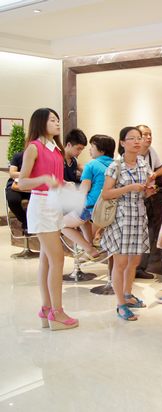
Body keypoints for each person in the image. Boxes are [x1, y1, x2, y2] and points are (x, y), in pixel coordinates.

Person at [18, 108, 78, 330]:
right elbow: (21, 182)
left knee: (46, 259)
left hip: (53, 203)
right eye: (52, 120)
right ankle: (57, 312)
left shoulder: (56, 149)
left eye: (57, 119)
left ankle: (47, 309)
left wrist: (64, 184)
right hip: (41, 205)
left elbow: (55, 180)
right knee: (57, 259)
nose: (57, 123)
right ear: (41, 122)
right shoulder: (34, 147)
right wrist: (44, 179)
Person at [100, 126, 156, 321]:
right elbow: (106, 194)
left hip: (139, 215)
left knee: (134, 261)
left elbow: (144, 191)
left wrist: (148, 191)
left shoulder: (143, 164)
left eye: (139, 138)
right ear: (122, 143)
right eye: (131, 138)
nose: (137, 141)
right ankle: (120, 304)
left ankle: (127, 294)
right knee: (121, 263)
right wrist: (129, 187)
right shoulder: (115, 166)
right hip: (121, 217)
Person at [61, 134, 116, 259]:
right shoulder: (117, 165)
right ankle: (90, 244)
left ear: (101, 150)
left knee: (61, 224)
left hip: (92, 208)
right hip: (109, 209)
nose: (89, 150)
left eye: (92, 147)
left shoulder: (91, 165)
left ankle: (88, 248)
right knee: (83, 221)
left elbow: (83, 191)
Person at [136, 124, 162, 278]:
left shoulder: (151, 152)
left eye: (150, 134)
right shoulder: (128, 156)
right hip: (133, 200)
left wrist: (154, 174)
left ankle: (140, 267)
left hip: (148, 198)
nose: (148, 137)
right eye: (145, 134)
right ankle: (131, 267)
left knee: (149, 232)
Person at [5, 151, 30, 233]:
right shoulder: (18, 156)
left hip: (33, 185)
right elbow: (12, 173)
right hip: (15, 184)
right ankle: (26, 221)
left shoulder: (43, 157)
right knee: (13, 200)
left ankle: (30, 223)